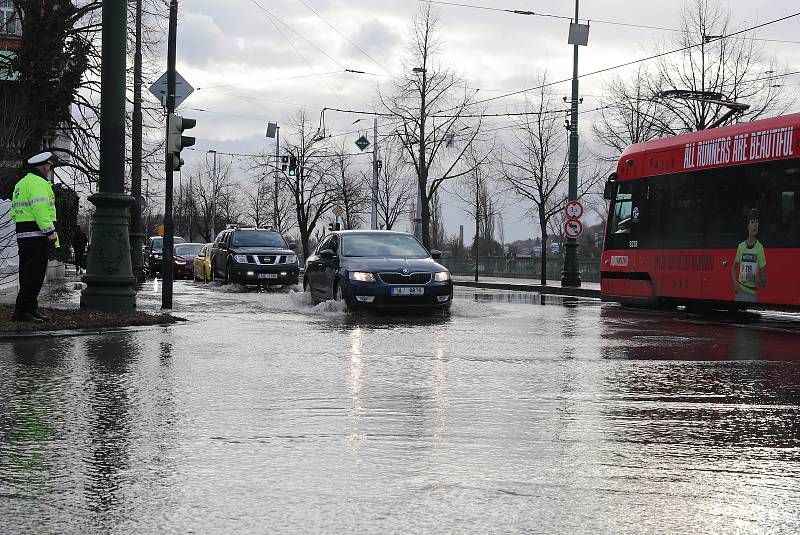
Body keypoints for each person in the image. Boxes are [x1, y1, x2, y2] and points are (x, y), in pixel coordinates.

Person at [10, 151, 60, 323]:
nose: (49, 169)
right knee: (35, 276)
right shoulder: (39, 183)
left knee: (27, 275)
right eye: (49, 166)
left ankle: (30, 309)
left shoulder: (21, 183)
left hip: (24, 235)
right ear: (44, 166)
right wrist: (49, 233)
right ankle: (22, 312)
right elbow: (40, 210)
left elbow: (15, 212)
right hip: (38, 236)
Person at [732, 208, 766, 303]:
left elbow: (764, 282)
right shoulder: (741, 246)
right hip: (739, 293)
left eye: (757, 222)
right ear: (748, 226)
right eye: (752, 222)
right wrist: (735, 282)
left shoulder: (760, 248)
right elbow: (734, 267)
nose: (755, 225)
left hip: (751, 295)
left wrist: (755, 278)